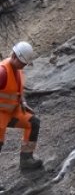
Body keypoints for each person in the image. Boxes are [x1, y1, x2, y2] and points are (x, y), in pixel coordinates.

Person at [0, 41, 43, 172]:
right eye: (22, 63)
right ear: (14, 56)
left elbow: (18, 90)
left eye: (25, 64)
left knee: (33, 122)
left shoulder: (17, 70)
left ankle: (26, 160)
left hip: (11, 111)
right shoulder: (2, 72)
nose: (23, 66)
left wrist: (23, 102)